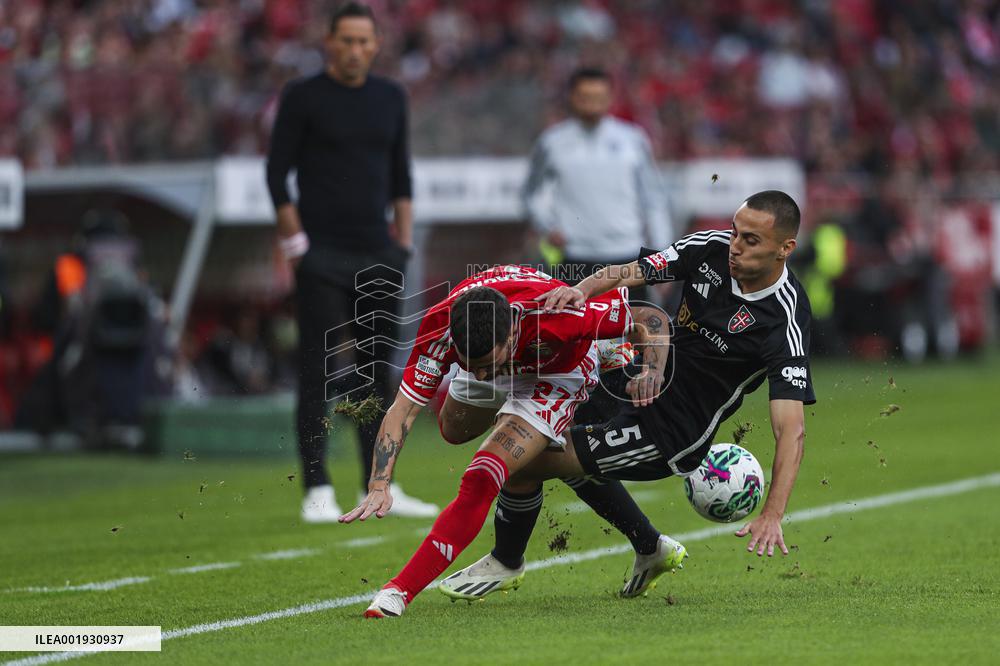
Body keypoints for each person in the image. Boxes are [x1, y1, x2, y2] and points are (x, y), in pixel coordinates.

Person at [432, 190, 817, 605]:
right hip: (636, 374)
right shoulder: (709, 248)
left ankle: (507, 560)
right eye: (735, 232)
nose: (735, 247)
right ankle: (650, 547)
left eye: (751, 241)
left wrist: (773, 514)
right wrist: (578, 293)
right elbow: (626, 273)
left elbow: (790, 429)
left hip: (670, 429)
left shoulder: (785, 319)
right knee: (546, 436)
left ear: (785, 249)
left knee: (524, 461)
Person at [339, 264, 686, 617]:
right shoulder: (441, 329)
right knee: (454, 431)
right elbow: (402, 412)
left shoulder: (558, 316)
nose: (481, 374)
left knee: (485, 473)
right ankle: (638, 538)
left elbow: (652, 317)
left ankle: (398, 591)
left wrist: (651, 372)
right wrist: (379, 483)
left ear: (510, 335)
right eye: (469, 364)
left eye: (487, 364)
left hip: (558, 369)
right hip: (512, 357)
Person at [265, 2, 437, 520]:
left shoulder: (390, 97)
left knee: (375, 372)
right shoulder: (303, 96)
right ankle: (316, 486)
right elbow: (276, 175)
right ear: (330, 42)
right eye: (347, 40)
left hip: (378, 252)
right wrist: (298, 247)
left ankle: (379, 484)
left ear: (376, 45)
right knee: (316, 369)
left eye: (366, 41)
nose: (357, 49)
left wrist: (401, 244)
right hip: (321, 254)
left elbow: (401, 176)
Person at [522, 66, 672, 302]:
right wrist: (547, 226)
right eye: (585, 97)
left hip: (628, 257)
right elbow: (531, 193)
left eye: (598, 97)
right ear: (572, 97)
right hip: (574, 257)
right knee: (574, 335)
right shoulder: (552, 142)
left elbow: (654, 198)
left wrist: (662, 256)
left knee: (633, 334)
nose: (592, 103)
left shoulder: (633, 139)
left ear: (610, 97)